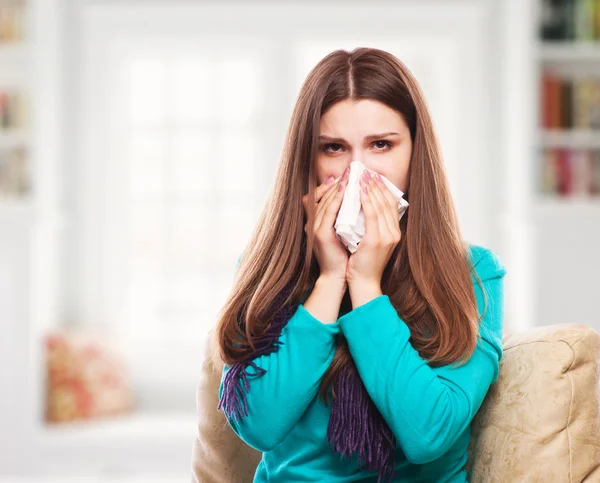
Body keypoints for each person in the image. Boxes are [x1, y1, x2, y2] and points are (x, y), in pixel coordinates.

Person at [213, 47, 507, 483]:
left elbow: (430, 433)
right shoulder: (266, 269)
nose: (358, 171)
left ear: (414, 152)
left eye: (381, 145)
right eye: (334, 148)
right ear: (307, 161)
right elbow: (260, 426)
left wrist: (366, 282)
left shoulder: (471, 273)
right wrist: (331, 278)